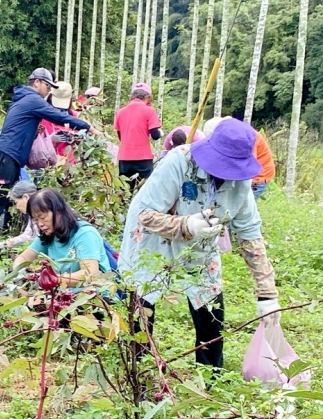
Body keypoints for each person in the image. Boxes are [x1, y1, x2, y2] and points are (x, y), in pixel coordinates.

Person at [118, 118, 280, 369]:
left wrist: (267, 293)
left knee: (211, 312)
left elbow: (249, 232)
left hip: (200, 248)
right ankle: (139, 371)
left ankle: (210, 376)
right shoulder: (179, 162)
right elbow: (145, 215)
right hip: (152, 241)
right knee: (142, 305)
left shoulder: (242, 180)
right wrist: (187, 225)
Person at [0, 68, 94, 231]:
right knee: (1, 196)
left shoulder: (22, 99)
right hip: (7, 154)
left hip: (7, 154)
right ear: (37, 82)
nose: (49, 90)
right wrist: (88, 127)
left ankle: (7, 231)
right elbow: (59, 117)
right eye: (47, 86)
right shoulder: (33, 99)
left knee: (12, 196)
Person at [13, 188, 112, 286]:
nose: (40, 224)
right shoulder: (49, 234)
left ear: (59, 211)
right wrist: (21, 273)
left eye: (43, 218)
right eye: (36, 220)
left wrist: (51, 279)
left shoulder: (85, 234)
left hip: (94, 297)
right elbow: (24, 257)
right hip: (65, 295)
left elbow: (90, 275)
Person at [204, 117, 275, 199]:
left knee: (244, 202)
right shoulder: (234, 136)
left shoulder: (246, 139)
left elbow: (247, 165)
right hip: (249, 172)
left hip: (258, 176)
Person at [113, 83, 162, 193]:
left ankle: (123, 209)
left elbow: (120, 135)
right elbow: (155, 135)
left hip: (124, 157)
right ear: (147, 97)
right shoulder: (149, 111)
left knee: (125, 192)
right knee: (144, 191)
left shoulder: (120, 112)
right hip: (143, 158)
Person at [0, 181, 39, 250]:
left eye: (16, 202)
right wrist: (0, 245)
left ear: (25, 197)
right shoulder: (33, 212)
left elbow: (30, 237)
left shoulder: (40, 212)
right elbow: (27, 236)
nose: (16, 207)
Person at [40, 81, 79, 161]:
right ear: (50, 97)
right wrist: (50, 139)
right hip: (48, 161)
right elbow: (35, 142)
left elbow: (84, 134)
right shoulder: (42, 117)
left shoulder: (75, 116)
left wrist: (75, 137)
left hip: (70, 162)